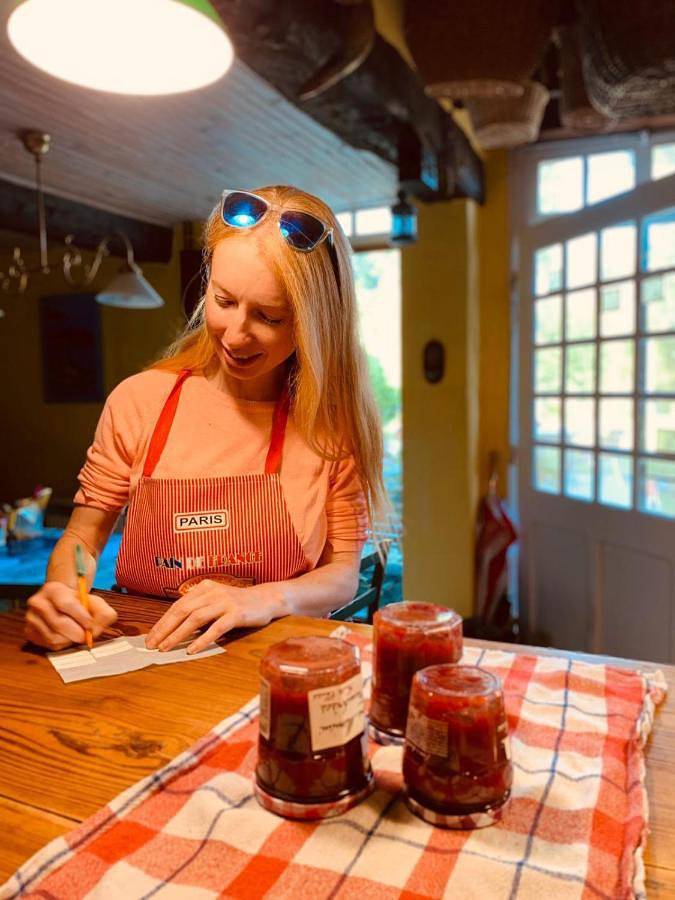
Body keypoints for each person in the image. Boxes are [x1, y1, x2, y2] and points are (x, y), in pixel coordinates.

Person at [25, 186, 388, 655]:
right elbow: (83, 535)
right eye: (224, 300)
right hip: (147, 650)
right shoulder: (140, 402)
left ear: (315, 322)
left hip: (276, 658)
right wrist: (61, 592)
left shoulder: (330, 426)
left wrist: (264, 598)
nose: (236, 335)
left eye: (270, 317)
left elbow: (342, 574)